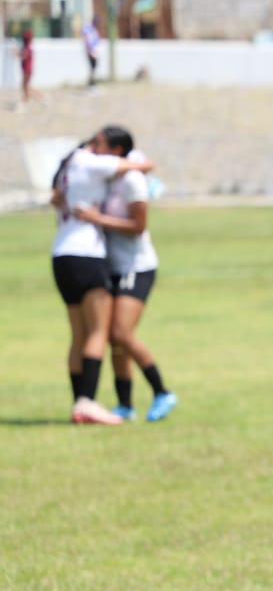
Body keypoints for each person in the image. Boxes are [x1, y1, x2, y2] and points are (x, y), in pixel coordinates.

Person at [50, 128, 155, 424]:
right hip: (87, 255)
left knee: (78, 335)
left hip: (60, 255)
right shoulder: (90, 161)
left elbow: (55, 198)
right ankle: (88, 402)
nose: (96, 147)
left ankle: (78, 404)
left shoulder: (67, 167)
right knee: (98, 332)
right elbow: (141, 166)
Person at [72, 149, 177, 422]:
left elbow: (138, 226)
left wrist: (98, 220)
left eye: (100, 143)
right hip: (112, 266)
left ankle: (161, 391)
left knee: (120, 333)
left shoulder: (131, 179)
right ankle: (125, 404)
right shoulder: (106, 177)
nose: (95, 149)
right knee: (112, 338)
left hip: (136, 267)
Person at [82, 20, 101, 88]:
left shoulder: (94, 30)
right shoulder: (89, 29)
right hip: (91, 52)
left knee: (94, 67)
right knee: (92, 67)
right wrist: (91, 51)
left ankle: (92, 83)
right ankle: (91, 83)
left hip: (94, 51)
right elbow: (88, 41)